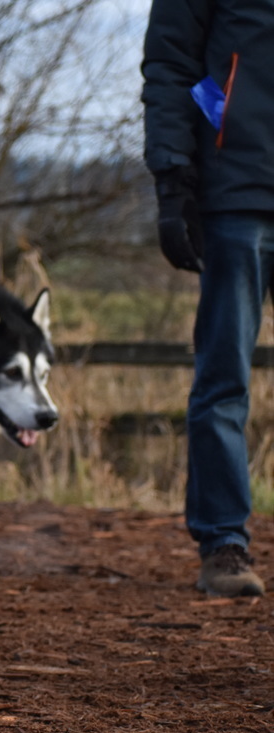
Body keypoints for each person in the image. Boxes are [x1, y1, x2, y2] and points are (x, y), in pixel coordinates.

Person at [142, 0, 274, 597]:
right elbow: (171, 64)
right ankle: (224, 544)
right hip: (236, 192)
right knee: (224, 379)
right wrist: (173, 179)